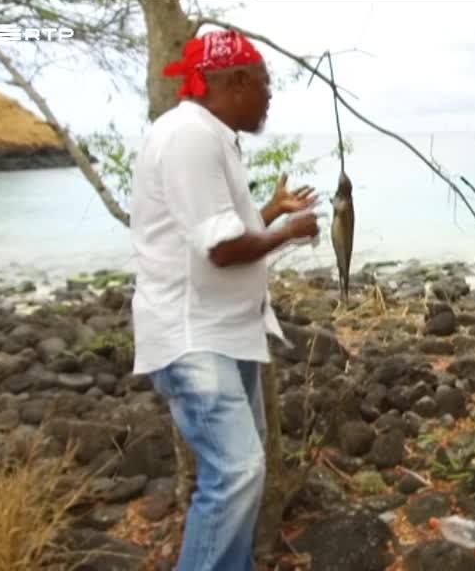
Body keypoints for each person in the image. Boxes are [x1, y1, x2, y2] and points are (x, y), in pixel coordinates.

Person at [128, 29, 320, 571]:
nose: (269, 98)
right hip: (194, 337)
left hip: (228, 331)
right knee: (235, 472)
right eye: (265, 85)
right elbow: (221, 248)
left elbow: (211, 230)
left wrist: (272, 213)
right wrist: (290, 232)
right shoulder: (189, 137)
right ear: (235, 82)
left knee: (244, 470)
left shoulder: (208, 135)